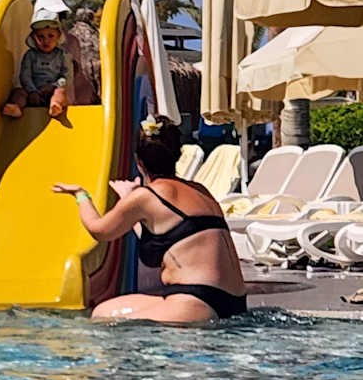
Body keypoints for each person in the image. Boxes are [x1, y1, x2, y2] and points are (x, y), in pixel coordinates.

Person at [52, 115, 248, 324]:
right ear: (177, 155)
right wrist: (129, 200)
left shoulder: (147, 196)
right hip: (232, 302)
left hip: (194, 302)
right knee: (104, 311)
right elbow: (161, 237)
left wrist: (81, 195)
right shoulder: (201, 190)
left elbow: (98, 230)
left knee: (100, 322)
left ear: (139, 162)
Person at [3, 5, 70, 121]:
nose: (46, 40)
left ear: (58, 36)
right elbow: (25, 75)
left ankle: (55, 105)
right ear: (34, 38)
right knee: (19, 92)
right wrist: (32, 91)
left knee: (61, 92)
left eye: (51, 36)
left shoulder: (62, 55)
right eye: (40, 37)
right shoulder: (30, 55)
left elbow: (67, 75)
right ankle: (16, 107)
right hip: (32, 92)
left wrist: (54, 86)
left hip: (52, 90)